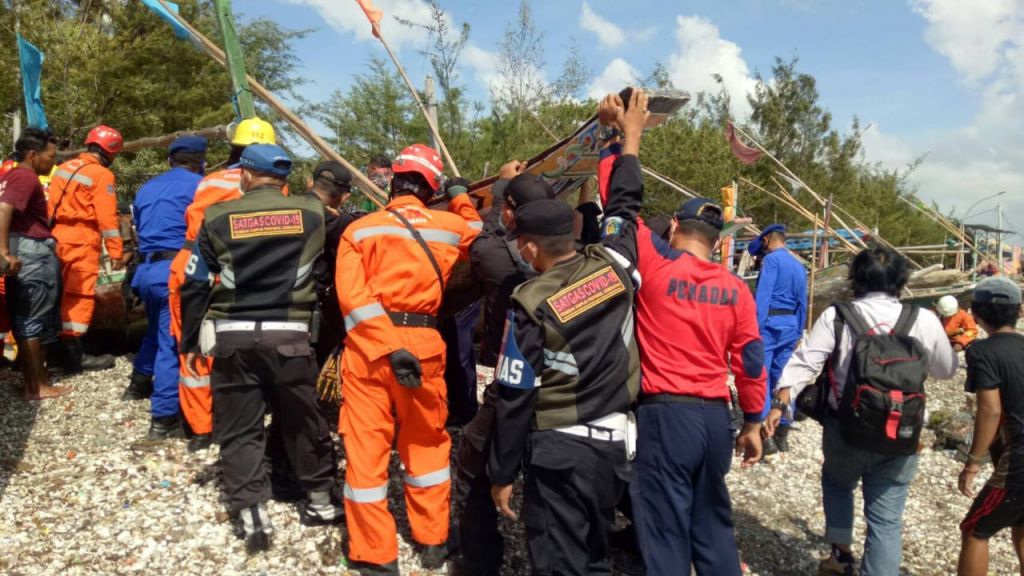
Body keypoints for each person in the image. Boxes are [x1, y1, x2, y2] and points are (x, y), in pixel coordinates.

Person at [598, 89, 766, 576]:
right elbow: (751, 363)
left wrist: (619, 141)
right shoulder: (737, 289)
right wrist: (753, 423)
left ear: (674, 226)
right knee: (713, 526)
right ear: (717, 241)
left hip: (666, 416)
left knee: (664, 531)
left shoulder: (655, 258)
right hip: (717, 420)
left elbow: (620, 206)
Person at [179, 144, 342, 553]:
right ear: (284, 179)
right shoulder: (312, 214)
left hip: (232, 338)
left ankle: (252, 511)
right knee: (304, 421)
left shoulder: (216, 217)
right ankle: (321, 502)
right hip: (290, 337)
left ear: (246, 176)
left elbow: (196, 281)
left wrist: (192, 338)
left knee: (240, 427)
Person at [336, 144, 482, 575]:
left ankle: (375, 555)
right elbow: (481, 229)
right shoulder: (450, 225)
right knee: (427, 443)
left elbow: (352, 298)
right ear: (431, 187)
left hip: (368, 349)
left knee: (365, 448)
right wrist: (459, 194)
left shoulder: (359, 230)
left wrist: (385, 343)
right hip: (423, 342)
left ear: (392, 180)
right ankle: (434, 541)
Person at [767, 247, 958, 575]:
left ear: (856, 279)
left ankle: (841, 556)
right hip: (901, 431)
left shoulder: (837, 315)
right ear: (900, 281)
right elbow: (947, 371)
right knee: (886, 520)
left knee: (838, 484)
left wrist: (781, 401)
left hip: (846, 430)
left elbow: (805, 362)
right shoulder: (923, 318)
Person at [452, 168, 605, 576]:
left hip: (516, 384)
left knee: (472, 465)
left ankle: (480, 561)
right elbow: (595, 231)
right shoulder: (596, 265)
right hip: (578, 393)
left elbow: (483, 236)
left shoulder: (495, 254)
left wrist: (500, 197)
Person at [487, 196, 639, 575]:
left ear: (532, 247)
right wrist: (630, 141)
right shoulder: (613, 270)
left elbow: (515, 395)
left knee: (557, 560)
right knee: (596, 556)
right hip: (613, 447)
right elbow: (624, 220)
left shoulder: (530, 302)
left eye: (520, 244)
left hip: (560, 452)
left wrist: (502, 474)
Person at [168, 117, 278, 452]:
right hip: (244, 272)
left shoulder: (209, 182)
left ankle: (200, 430)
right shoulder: (274, 186)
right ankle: (240, 417)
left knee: (192, 348)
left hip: (191, 265)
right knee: (241, 346)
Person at [121, 136, 207, 442]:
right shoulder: (199, 187)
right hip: (174, 269)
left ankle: (139, 383)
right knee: (173, 340)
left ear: (170, 160)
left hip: (144, 271)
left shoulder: (148, 187)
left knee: (157, 330)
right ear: (201, 161)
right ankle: (164, 417)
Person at [957, 277, 1024, 576]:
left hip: (1019, 460)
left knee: (975, 528)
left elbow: (990, 410)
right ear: (1019, 312)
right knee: (1021, 525)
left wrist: (972, 464)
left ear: (977, 314)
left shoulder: (982, 352)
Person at [48, 125, 124, 374]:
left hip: (56, 237)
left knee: (56, 295)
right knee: (79, 296)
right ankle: (74, 357)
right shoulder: (101, 175)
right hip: (81, 240)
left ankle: (55, 352)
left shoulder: (63, 169)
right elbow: (107, 219)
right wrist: (115, 252)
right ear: (111, 152)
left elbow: (49, 207)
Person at [0, 128, 67, 400]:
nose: (52, 161)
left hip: (25, 246)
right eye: (50, 156)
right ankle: (34, 387)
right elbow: (4, 209)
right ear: (32, 155)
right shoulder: (25, 177)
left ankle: (37, 380)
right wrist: (3, 251)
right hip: (31, 250)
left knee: (27, 314)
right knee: (32, 317)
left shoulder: (9, 176)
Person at [748, 223, 807, 454]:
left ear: (766, 241)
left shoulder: (771, 261)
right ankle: (783, 430)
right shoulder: (798, 265)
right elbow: (803, 302)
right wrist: (799, 332)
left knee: (763, 377)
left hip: (770, 325)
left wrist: (754, 329)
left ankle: (765, 434)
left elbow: (762, 298)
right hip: (791, 325)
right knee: (784, 378)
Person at [303, 160, 357, 365]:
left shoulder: (284, 208)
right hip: (310, 319)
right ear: (345, 196)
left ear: (310, 182)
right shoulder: (339, 223)